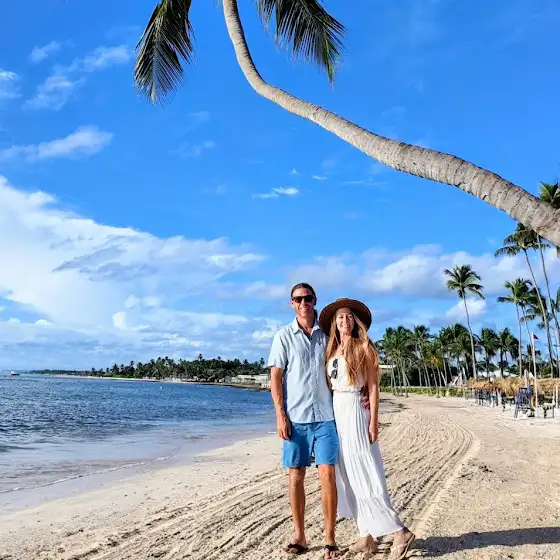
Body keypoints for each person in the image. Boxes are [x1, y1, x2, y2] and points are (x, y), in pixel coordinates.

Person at [318, 298, 415, 560]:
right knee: (348, 473)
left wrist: (373, 421)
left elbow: (372, 387)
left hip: (356, 413)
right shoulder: (332, 350)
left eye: (349, 316)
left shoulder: (364, 347)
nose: (345, 320)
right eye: (340, 317)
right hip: (338, 412)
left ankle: (399, 531)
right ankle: (366, 535)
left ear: (356, 321)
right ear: (334, 323)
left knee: (366, 471)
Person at [268, 283, 341, 559]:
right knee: (296, 477)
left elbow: (343, 367)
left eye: (307, 298)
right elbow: (276, 378)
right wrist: (280, 415)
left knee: (328, 476)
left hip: (326, 417)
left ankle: (330, 538)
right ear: (291, 303)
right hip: (296, 418)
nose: (303, 303)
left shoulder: (328, 334)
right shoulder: (283, 337)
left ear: (314, 300)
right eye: (298, 299)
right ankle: (299, 536)